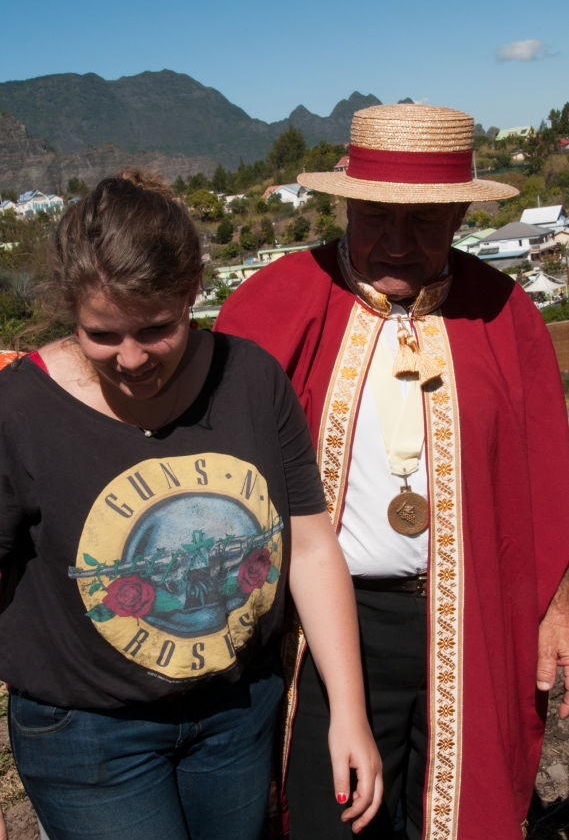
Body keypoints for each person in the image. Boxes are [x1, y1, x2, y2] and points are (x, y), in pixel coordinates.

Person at [215, 104, 569, 840]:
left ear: (462, 213)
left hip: (473, 617)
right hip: (322, 630)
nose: (399, 242)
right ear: (345, 204)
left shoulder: (505, 313)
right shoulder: (276, 302)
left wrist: (555, 603)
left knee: (460, 813)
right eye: (377, 216)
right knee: (331, 818)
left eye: (427, 221)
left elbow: (546, 471)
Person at [0, 170, 381, 840]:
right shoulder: (20, 410)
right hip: (87, 733)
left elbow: (310, 548)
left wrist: (349, 712)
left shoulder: (251, 379)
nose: (131, 359)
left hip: (236, 714)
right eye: (101, 334)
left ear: (192, 292)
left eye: (156, 328)